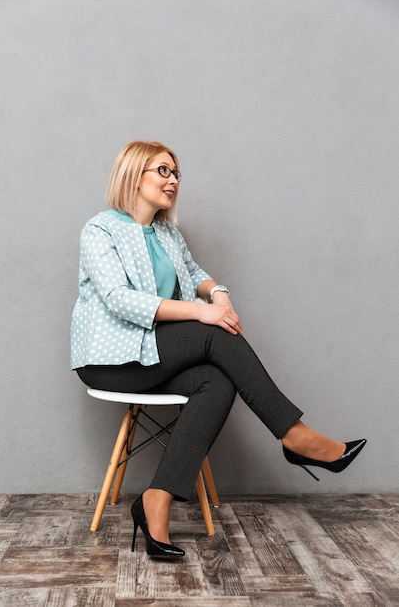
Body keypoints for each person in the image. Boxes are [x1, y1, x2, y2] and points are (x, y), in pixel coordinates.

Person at [71, 140, 366, 560]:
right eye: (162, 171)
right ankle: (295, 435)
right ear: (134, 175)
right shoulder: (101, 229)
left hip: (154, 354)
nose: (173, 180)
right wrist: (202, 312)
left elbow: (195, 273)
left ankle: (156, 500)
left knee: (216, 381)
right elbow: (119, 298)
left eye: (176, 173)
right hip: (112, 360)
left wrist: (219, 294)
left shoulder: (168, 232)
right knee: (212, 333)